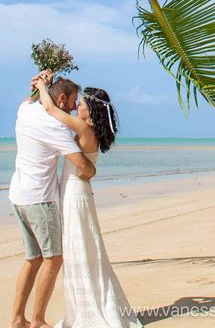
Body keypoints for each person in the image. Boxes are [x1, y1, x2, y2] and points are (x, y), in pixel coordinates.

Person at [34, 71, 142, 328]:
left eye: (81, 104)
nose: (77, 106)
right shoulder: (90, 130)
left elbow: (50, 108)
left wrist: (41, 85)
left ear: (90, 110)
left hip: (74, 194)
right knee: (84, 248)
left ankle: (87, 311)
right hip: (79, 193)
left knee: (79, 250)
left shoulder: (83, 128)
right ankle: (90, 305)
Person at [8, 76, 97, 328]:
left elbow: (31, 98)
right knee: (54, 258)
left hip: (18, 196)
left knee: (33, 258)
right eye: (70, 103)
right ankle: (37, 321)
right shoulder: (55, 127)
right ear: (60, 99)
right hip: (40, 200)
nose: (71, 108)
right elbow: (81, 164)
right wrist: (92, 170)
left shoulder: (25, 110)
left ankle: (17, 319)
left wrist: (40, 83)